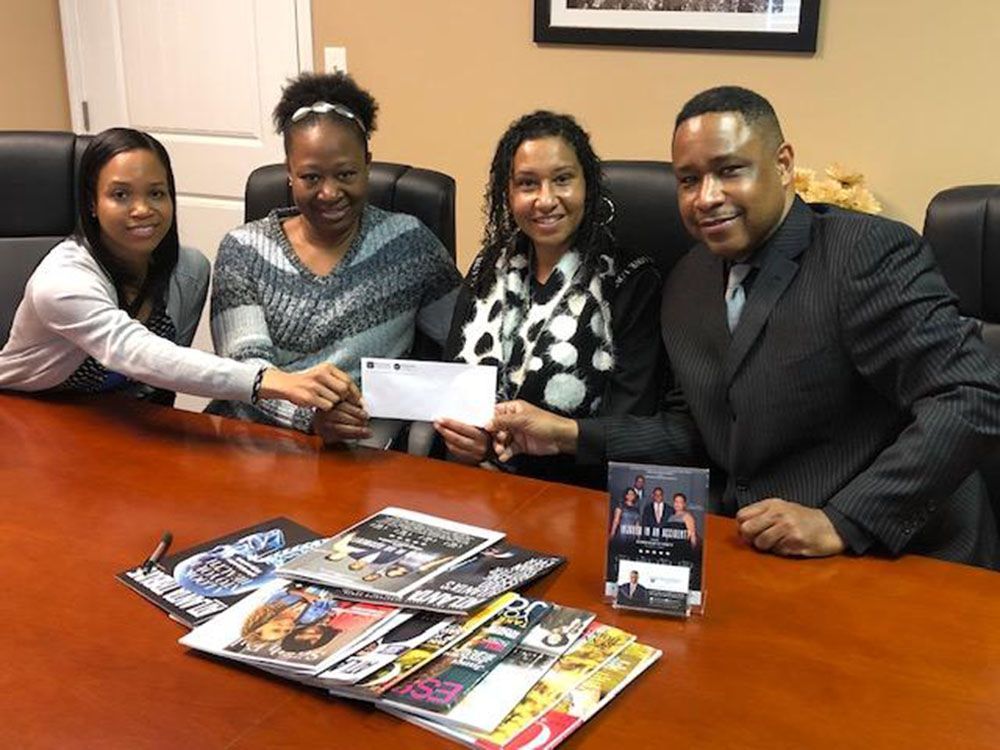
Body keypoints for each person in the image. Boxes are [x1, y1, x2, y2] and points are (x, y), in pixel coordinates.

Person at [492, 86, 1000, 569]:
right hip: (756, 550)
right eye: (688, 180)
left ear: (783, 165)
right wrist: (566, 435)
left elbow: (969, 394)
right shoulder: (688, 279)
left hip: (895, 557)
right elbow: (697, 431)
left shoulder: (862, 252)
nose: (706, 196)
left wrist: (843, 521)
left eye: (729, 171)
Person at [0, 127, 357, 411]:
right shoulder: (62, 282)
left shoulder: (187, 271)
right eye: (120, 195)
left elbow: (159, 382)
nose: (143, 209)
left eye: (156, 193)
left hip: (118, 425)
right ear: (92, 203)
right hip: (28, 416)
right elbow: (138, 353)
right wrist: (271, 381)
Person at [207, 72, 461, 444]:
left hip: (349, 445)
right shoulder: (243, 249)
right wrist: (308, 416)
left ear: (367, 165)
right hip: (243, 437)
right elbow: (244, 368)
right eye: (311, 177)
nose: (329, 193)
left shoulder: (408, 244)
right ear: (289, 173)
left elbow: (466, 335)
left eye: (345, 174)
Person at [434, 111, 663, 486]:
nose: (545, 200)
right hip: (480, 486)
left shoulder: (630, 279)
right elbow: (452, 385)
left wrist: (559, 436)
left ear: (587, 185)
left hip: (579, 494)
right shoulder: (488, 266)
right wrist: (467, 441)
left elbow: (632, 423)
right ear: (506, 194)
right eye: (527, 183)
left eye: (562, 180)